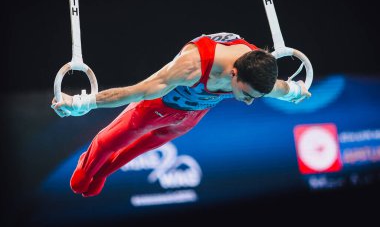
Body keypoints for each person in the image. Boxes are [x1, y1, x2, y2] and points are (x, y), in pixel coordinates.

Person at [51, 32, 311, 197]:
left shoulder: (256, 73)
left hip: (190, 118)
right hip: (155, 109)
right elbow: (136, 92)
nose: (248, 102)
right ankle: (89, 164)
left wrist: (296, 90)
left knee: (132, 153)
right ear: (233, 73)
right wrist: (82, 102)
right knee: (111, 144)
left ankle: (103, 173)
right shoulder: (193, 64)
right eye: (246, 94)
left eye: (255, 97)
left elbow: (281, 89)